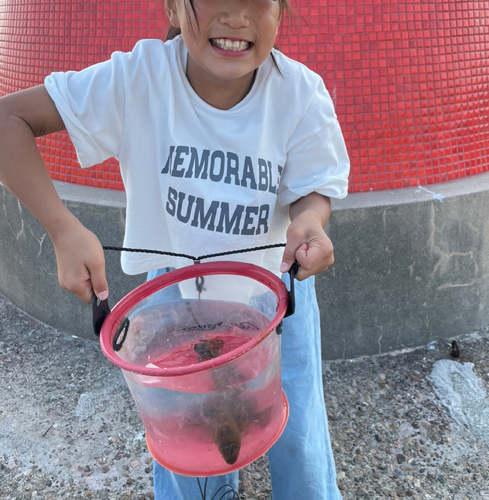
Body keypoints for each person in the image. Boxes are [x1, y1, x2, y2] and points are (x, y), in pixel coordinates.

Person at [0, 0, 350, 498]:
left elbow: (312, 188)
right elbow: (8, 119)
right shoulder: (137, 79)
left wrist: (310, 220)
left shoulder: (299, 93)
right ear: (171, 5)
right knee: (193, 450)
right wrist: (63, 230)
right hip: (172, 310)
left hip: (275, 302)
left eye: (257, 2)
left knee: (297, 438)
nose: (235, 18)